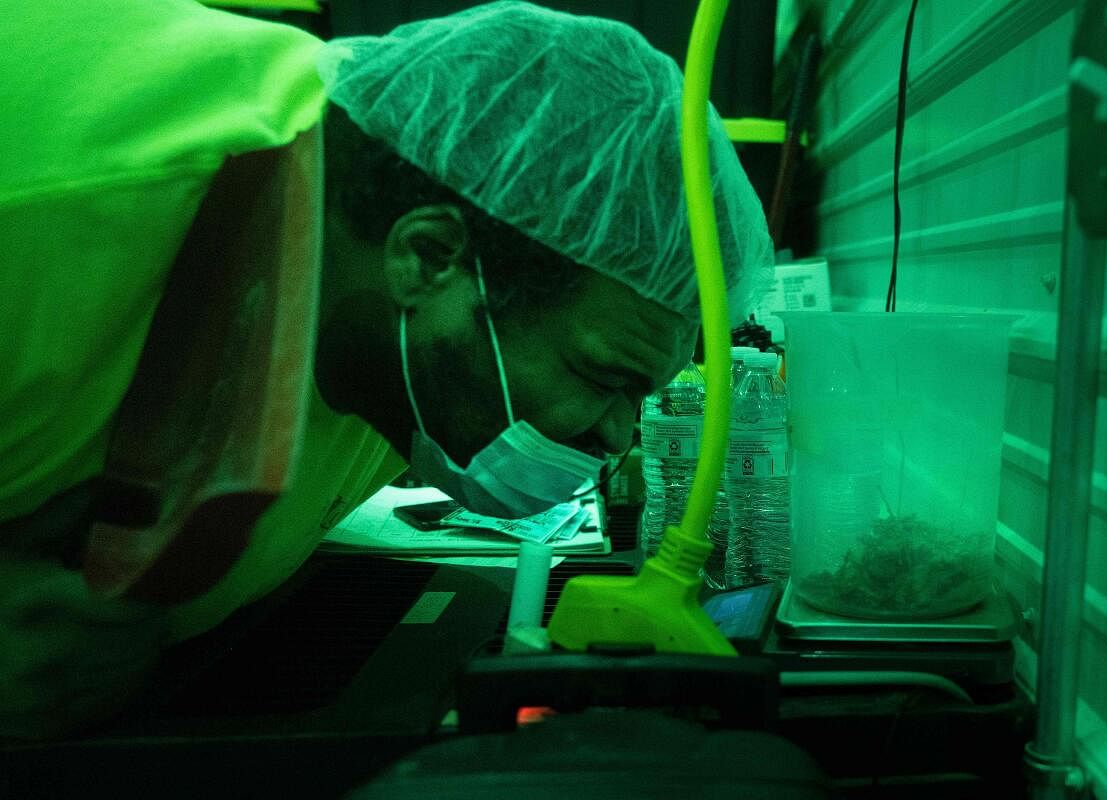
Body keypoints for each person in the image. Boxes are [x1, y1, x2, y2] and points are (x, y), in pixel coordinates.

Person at [0, 0, 772, 739]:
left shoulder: (397, 227)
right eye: (602, 377)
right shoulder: (46, 224)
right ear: (427, 258)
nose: (616, 436)